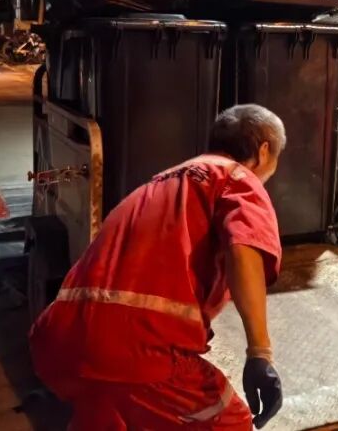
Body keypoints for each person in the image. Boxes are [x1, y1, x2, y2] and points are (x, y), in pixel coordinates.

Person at [30, 105, 287, 430]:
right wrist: (260, 352)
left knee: (110, 414)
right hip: (136, 349)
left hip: (58, 341)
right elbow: (244, 249)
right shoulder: (237, 180)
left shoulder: (160, 182)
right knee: (229, 422)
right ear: (263, 151)